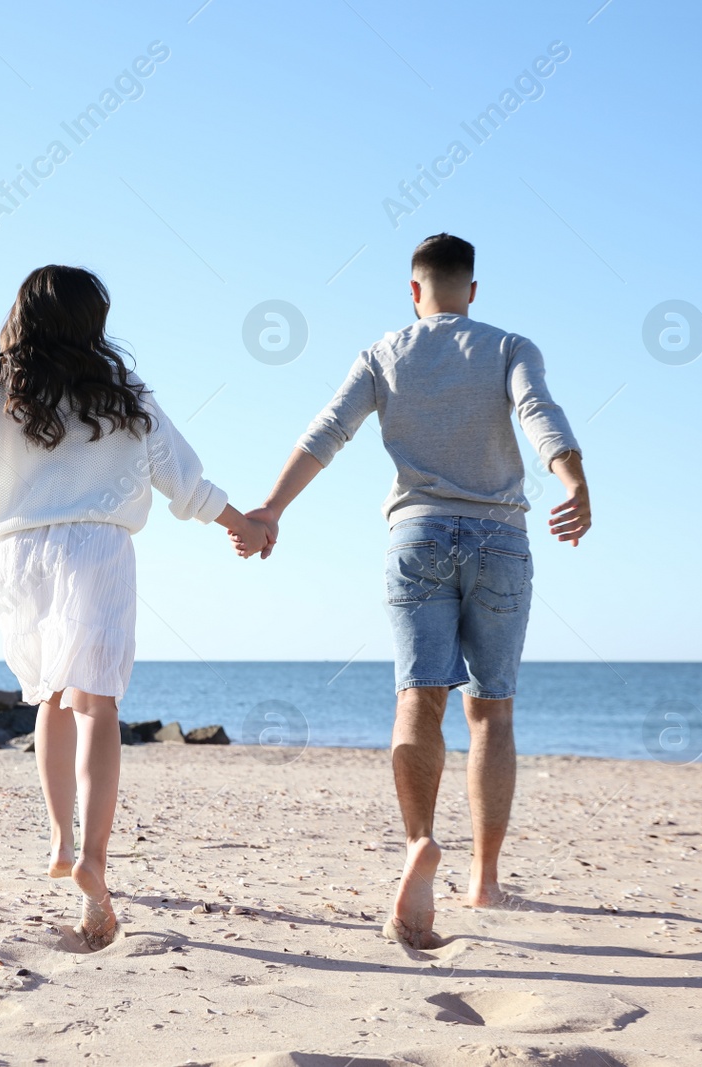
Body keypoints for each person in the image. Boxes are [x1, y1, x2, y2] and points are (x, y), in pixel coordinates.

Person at [0, 265, 270, 949]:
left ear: (23, 316)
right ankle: (94, 852)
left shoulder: (3, 384)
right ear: (95, 321)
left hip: (18, 556)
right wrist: (238, 521)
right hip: (97, 549)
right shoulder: (122, 391)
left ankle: (61, 839)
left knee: (52, 699)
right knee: (98, 704)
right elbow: (183, 476)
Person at [234, 233, 591, 949]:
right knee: (489, 710)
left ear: (414, 289)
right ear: (473, 290)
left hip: (418, 534)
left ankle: (420, 842)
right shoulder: (510, 346)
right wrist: (572, 479)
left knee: (416, 695)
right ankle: (485, 879)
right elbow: (537, 411)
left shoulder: (384, 352)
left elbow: (327, 432)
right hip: (499, 538)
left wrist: (270, 509)